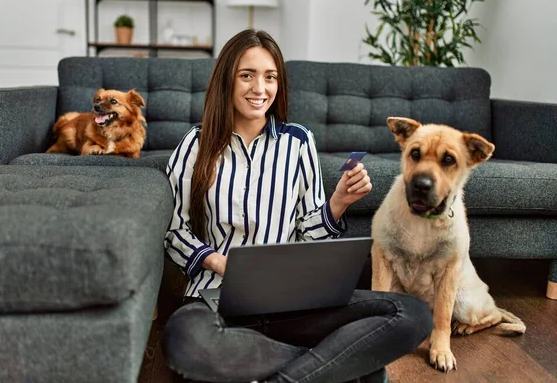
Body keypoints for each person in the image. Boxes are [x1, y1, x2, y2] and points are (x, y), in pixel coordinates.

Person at [162, 29, 432, 383]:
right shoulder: (195, 145)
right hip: (214, 299)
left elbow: (308, 232)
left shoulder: (298, 142)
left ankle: (285, 373)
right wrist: (218, 262)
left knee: (411, 312)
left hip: (293, 303)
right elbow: (173, 230)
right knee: (185, 343)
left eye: (270, 77)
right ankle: (333, 364)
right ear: (226, 80)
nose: (260, 89)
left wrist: (337, 203)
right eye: (247, 75)